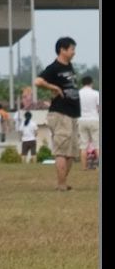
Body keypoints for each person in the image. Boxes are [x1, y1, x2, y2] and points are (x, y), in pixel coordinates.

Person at [35, 37, 80, 191]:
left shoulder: (69, 66)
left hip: (72, 113)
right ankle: (61, 185)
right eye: (72, 49)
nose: (74, 52)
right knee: (62, 150)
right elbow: (38, 81)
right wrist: (53, 87)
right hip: (60, 113)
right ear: (62, 50)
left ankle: (63, 182)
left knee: (71, 152)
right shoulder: (54, 67)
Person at [78, 75, 100, 170]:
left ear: (82, 83)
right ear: (91, 83)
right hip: (94, 119)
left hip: (82, 119)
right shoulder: (96, 93)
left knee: (83, 145)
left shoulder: (78, 93)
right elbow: (98, 107)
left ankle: (84, 167)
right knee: (97, 144)